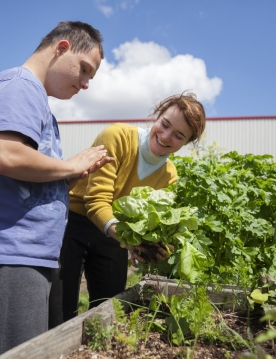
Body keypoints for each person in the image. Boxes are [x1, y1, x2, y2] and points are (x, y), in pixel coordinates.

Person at [0, 21, 113, 359]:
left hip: (27, 258)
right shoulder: (18, 86)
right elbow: (6, 155)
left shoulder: (38, 101)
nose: (85, 84)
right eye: (84, 70)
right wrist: (71, 166)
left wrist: (75, 174)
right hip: (3, 258)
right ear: (62, 47)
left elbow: (30, 182)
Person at [49, 92, 206, 327]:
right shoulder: (118, 136)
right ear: (157, 116)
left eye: (178, 136)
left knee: (110, 307)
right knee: (61, 312)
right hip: (73, 221)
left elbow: (154, 222)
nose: (165, 136)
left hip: (116, 234)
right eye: (164, 124)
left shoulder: (169, 175)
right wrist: (128, 240)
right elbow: (96, 202)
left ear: (186, 143)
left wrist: (158, 246)